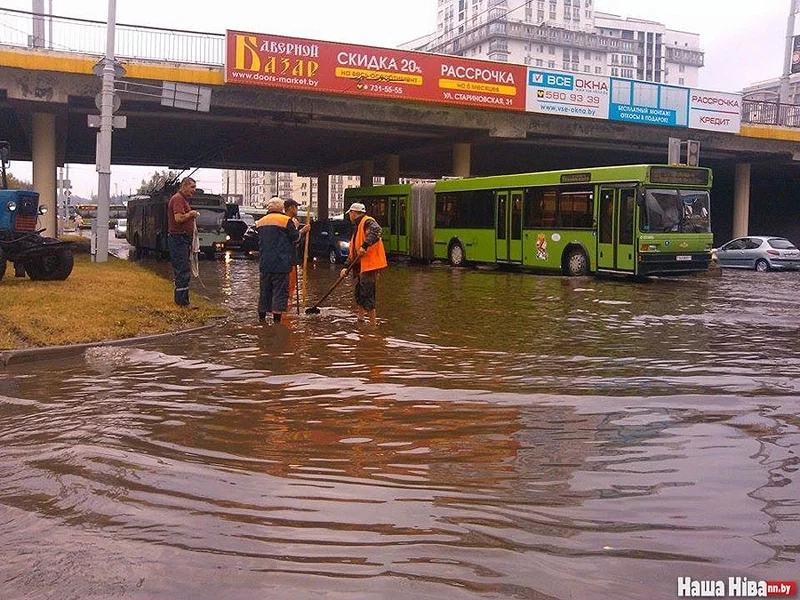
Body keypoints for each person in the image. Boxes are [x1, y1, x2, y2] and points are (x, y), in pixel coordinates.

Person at [256, 197, 309, 323]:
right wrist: (301, 230)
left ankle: (262, 320)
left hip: (265, 263)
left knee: (264, 292)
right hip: (281, 263)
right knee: (279, 293)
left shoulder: (261, 222)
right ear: (281, 208)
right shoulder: (286, 220)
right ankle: (277, 323)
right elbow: (295, 238)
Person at [340, 202, 387, 325]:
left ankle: (373, 326)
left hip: (369, 265)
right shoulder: (357, 227)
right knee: (360, 293)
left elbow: (377, 231)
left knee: (367, 294)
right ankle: (360, 321)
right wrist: (346, 267)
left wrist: (365, 245)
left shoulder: (367, 221)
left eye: (350, 213)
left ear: (353, 213)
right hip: (361, 266)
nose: (349, 216)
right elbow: (354, 252)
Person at [167, 177, 200, 308]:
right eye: (192, 187)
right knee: (182, 270)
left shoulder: (182, 199)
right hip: (178, 239)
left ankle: (184, 300)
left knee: (184, 270)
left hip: (182, 240)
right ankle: (182, 302)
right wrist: (191, 214)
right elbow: (179, 218)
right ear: (184, 186)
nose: (194, 190)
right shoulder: (178, 199)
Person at [283, 198, 305, 309]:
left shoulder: (284, 221)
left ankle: (285, 308)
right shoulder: (288, 221)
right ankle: (287, 308)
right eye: (296, 207)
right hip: (288, 260)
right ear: (291, 208)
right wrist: (301, 231)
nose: (297, 210)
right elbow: (295, 238)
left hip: (285, 259)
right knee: (289, 285)